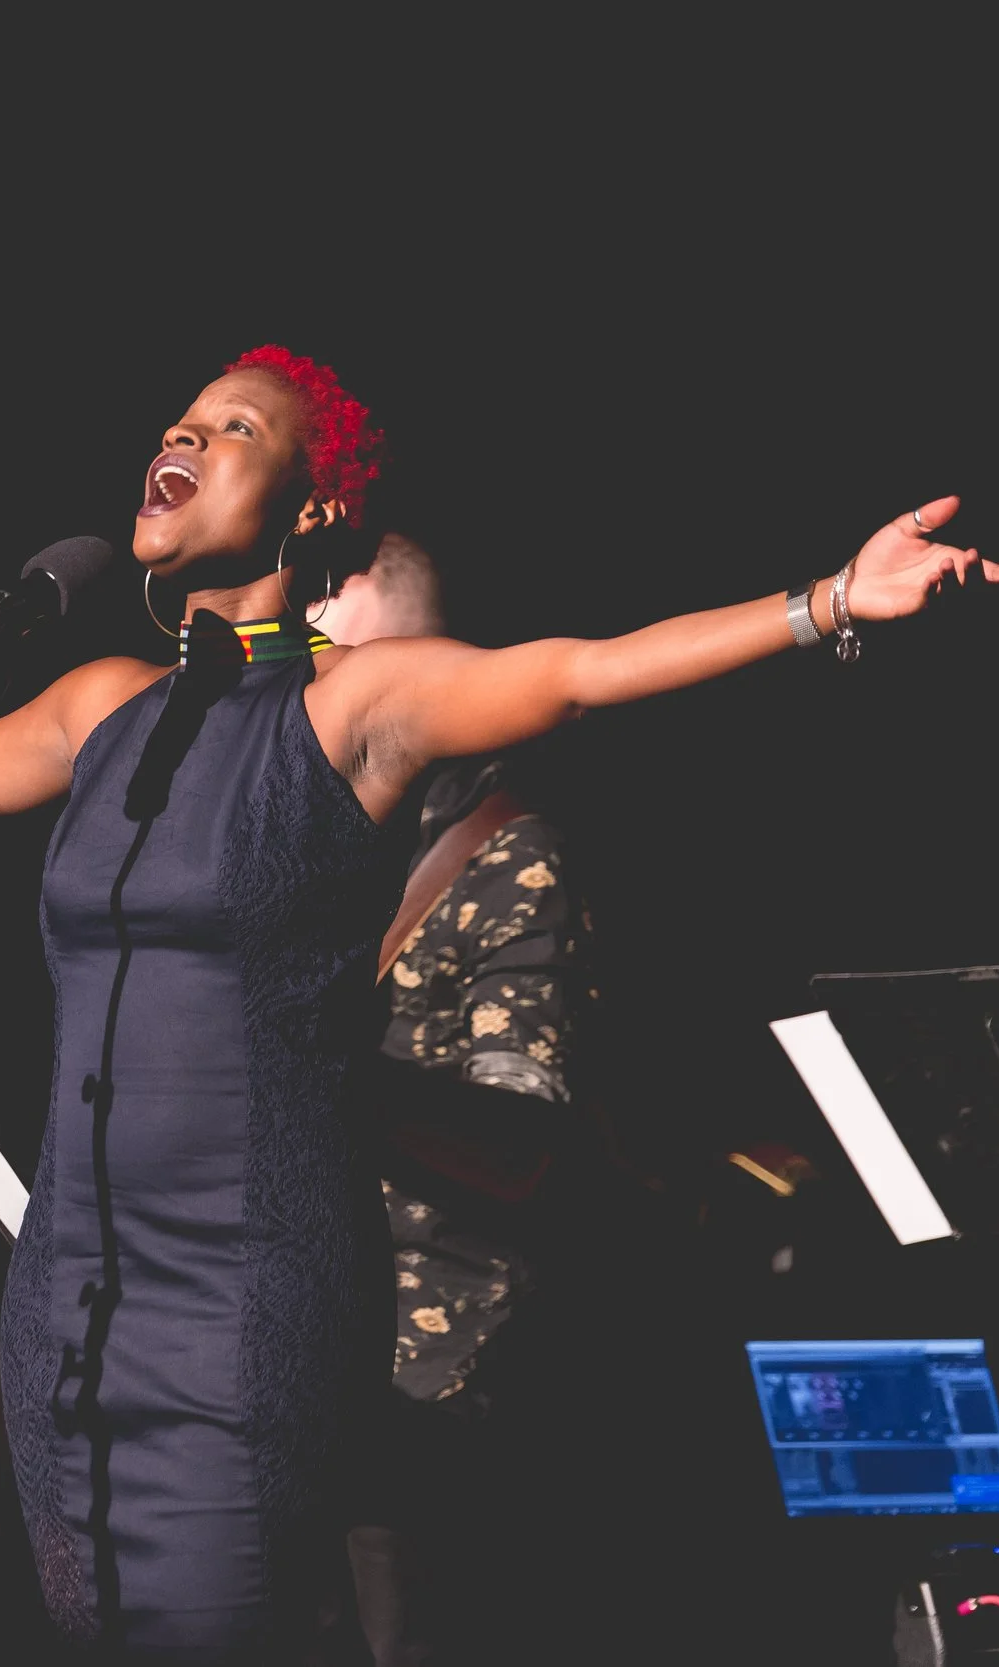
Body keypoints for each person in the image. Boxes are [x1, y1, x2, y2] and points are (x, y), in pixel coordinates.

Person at [0, 342, 999, 1658]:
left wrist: (828, 600)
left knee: (218, 1623)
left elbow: (579, 672)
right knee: (93, 1624)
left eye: (234, 426)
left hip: (243, 1286)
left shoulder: (357, 702)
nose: (184, 434)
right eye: (180, 418)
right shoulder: (102, 703)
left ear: (313, 508)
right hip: (67, 1286)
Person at [313, 529, 609, 1664]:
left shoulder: (512, 855)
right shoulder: (327, 846)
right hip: (295, 1354)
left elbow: (521, 1144)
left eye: (343, 666)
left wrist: (319, 1075)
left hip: (425, 1382)